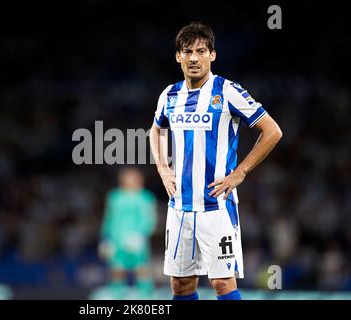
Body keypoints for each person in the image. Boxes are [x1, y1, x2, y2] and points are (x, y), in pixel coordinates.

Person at [149, 22, 282, 300]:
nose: (194, 58)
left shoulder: (228, 91)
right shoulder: (170, 95)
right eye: (187, 52)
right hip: (180, 208)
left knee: (222, 283)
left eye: (201, 51)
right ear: (178, 57)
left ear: (212, 55)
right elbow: (156, 129)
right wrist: (162, 167)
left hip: (217, 207)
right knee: (181, 285)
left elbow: (272, 130)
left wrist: (241, 172)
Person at [98, 167, 157, 298]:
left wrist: (140, 235)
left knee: (141, 268)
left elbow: (149, 219)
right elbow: (109, 218)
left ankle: (146, 295)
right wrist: (106, 238)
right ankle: (116, 294)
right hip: (117, 240)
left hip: (136, 242)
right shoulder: (114, 197)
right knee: (117, 269)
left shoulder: (145, 197)